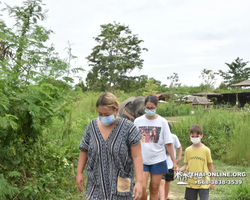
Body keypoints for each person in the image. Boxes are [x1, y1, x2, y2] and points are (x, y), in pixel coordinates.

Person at [76, 92, 143, 200]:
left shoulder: (128, 128)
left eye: (106, 114)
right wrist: (79, 172)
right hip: (96, 183)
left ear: (116, 110)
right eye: (100, 114)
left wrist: (140, 182)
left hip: (121, 184)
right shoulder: (92, 127)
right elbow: (84, 149)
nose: (103, 117)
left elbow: (137, 156)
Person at [134, 95, 177, 200]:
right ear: (144, 107)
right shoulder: (137, 122)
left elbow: (168, 143)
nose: (149, 110)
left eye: (152, 108)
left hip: (158, 159)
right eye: (147, 108)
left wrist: (174, 161)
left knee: (154, 188)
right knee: (142, 188)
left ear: (156, 106)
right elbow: (133, 141)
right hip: (142, 160)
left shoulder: (162, 122)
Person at [179, 124, 215, 200]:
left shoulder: (206, 150)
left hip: (204, 182)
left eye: (197, 136)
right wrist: (180, 169)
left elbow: (210, 165)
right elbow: (187, 165)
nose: (194, 138)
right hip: (190, 183)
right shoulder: (187, 150)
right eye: (193, 136)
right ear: (190, 136)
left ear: (201, 136)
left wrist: (213, 180)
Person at [159, 123, 182, 200]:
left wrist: (178, 158)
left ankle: (165, 196)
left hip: (170, 164)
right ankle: (161, 197)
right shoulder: (159, 137)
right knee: (161, 182)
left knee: (167, 182)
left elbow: (179, 147)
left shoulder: (173, 137)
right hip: (160, 164)